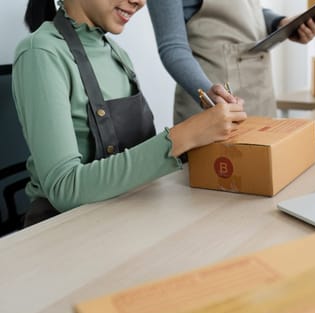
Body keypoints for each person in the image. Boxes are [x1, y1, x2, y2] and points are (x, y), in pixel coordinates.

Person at [13, 0, 247, 227]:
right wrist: (185, 135)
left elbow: (137, 160)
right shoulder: (41, 53)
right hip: (64, 228)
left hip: (125, 212)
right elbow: (64, 188)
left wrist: (205, 132)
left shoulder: (116, 53)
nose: (140, 2)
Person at [147, 0, 315, 123]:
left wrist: (280, 22)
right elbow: (172, 46)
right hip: (213, 102)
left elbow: (247, 10)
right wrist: (207, 95)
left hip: (261, 94)